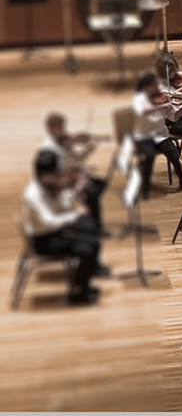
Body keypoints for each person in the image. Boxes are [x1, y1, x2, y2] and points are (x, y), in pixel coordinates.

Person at [21, 151, 103, 305]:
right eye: (55, 173)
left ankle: (83, 284)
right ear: (45, 174)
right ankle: (78, 294)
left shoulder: (48, 185)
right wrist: (75, 215)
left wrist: (74, 193)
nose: (59, 176)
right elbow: (50, 222)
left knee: (91, 227)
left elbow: (61, 207)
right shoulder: (33, 195)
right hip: (43, 240)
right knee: (88, 247)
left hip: (53, 232)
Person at [41, 113, 108, 227]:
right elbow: (57, 170)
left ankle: (90, 216)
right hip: (61, 182)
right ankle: (95, 224)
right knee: (91, 191)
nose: (63, 131)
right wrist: (76, 174)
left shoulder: (65, 142)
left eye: (63, 127)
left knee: (100, 183)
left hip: (72, 176)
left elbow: (78, 157)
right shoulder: (48, 147)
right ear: (50, 128)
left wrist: (92, 145)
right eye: (59, 128)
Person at [132, 72, 182, 199]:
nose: (157, 88)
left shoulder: (161, 97)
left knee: (175, 155)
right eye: (154, 85)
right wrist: (160, 106)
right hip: (144, 137)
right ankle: (145, 188)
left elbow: (174, 118)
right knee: (148, 156)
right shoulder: (139, 99)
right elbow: (143, 112)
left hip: (161, 136)